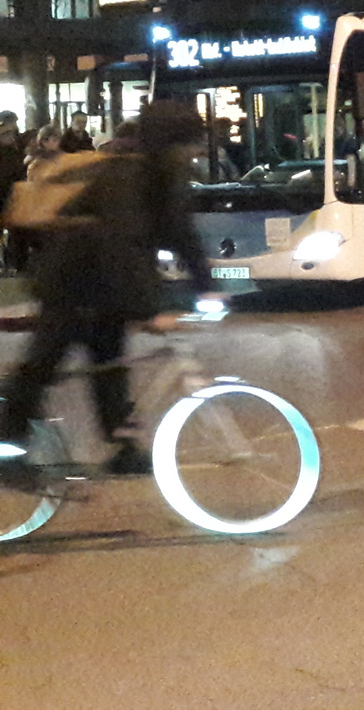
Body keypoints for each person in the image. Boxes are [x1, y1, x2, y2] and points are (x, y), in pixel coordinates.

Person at [0, 100, 215, 474]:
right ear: (169, 144)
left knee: (111, 369)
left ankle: (123, 448)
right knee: (42, 367)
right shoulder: (125, 178)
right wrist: (153, 310)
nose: (195, 152)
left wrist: (208, 287)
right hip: (70, 284)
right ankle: (7, 446)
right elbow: (124, 246)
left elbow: (182, 232)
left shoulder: (165, 178)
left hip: (105, 291)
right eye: (189, 144)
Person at [0, 113, 25, 274]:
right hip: (3, 193)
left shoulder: (15, 148)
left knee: (14, 230)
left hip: (11, 194)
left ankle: (11, 262)